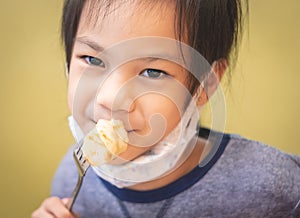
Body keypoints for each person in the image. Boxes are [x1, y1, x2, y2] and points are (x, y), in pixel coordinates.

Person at [32, 0, 300, 217]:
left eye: (152, 72)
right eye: (92, 59)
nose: (110, 99)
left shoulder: (273, 188)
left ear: (204, 84)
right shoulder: (72, 178)